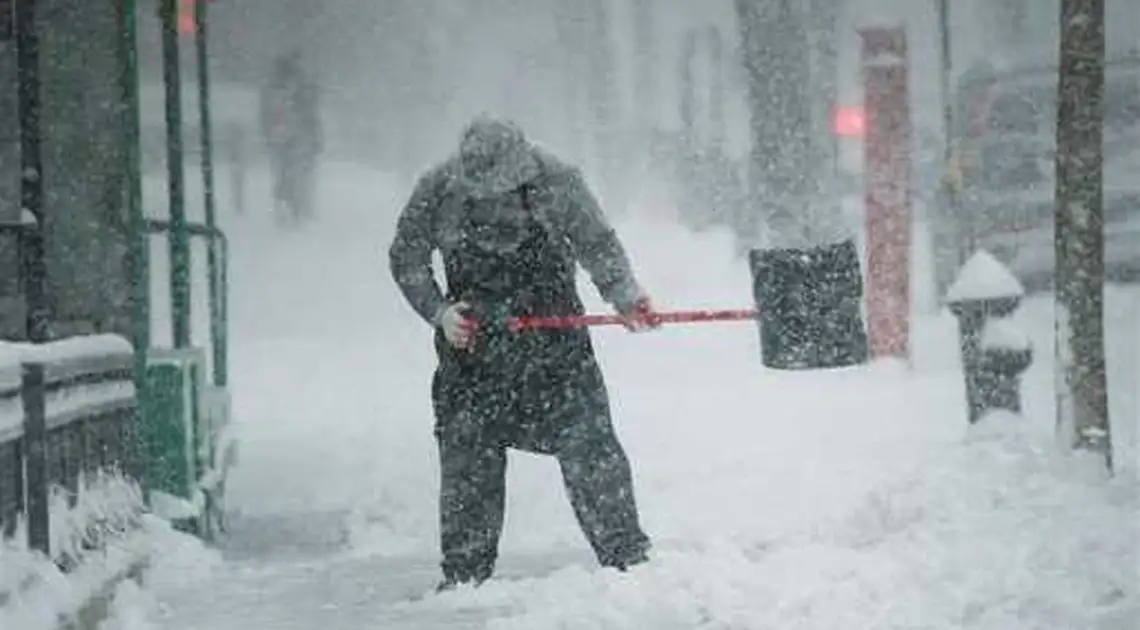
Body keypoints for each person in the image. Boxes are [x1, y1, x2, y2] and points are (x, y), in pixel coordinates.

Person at [389, 116, 660, 590]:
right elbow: (406, 255)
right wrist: (439, 312)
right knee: (468, 465)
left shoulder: (558, 180)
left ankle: (628, 564)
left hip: (555, 350)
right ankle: (465, 577)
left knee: (591, 450)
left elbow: (598, 243)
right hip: (473, 353)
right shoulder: (438, 187)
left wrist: (625, 295)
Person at [259, 50, 322, 224]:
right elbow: (310, 114)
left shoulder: (275, 87)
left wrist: (268, 134)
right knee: (297, 172)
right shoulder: (301, 86)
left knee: (285, 172)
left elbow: (266, 114)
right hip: (296, 136)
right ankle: (296, 207)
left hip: (283, 137)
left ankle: (288, 206)